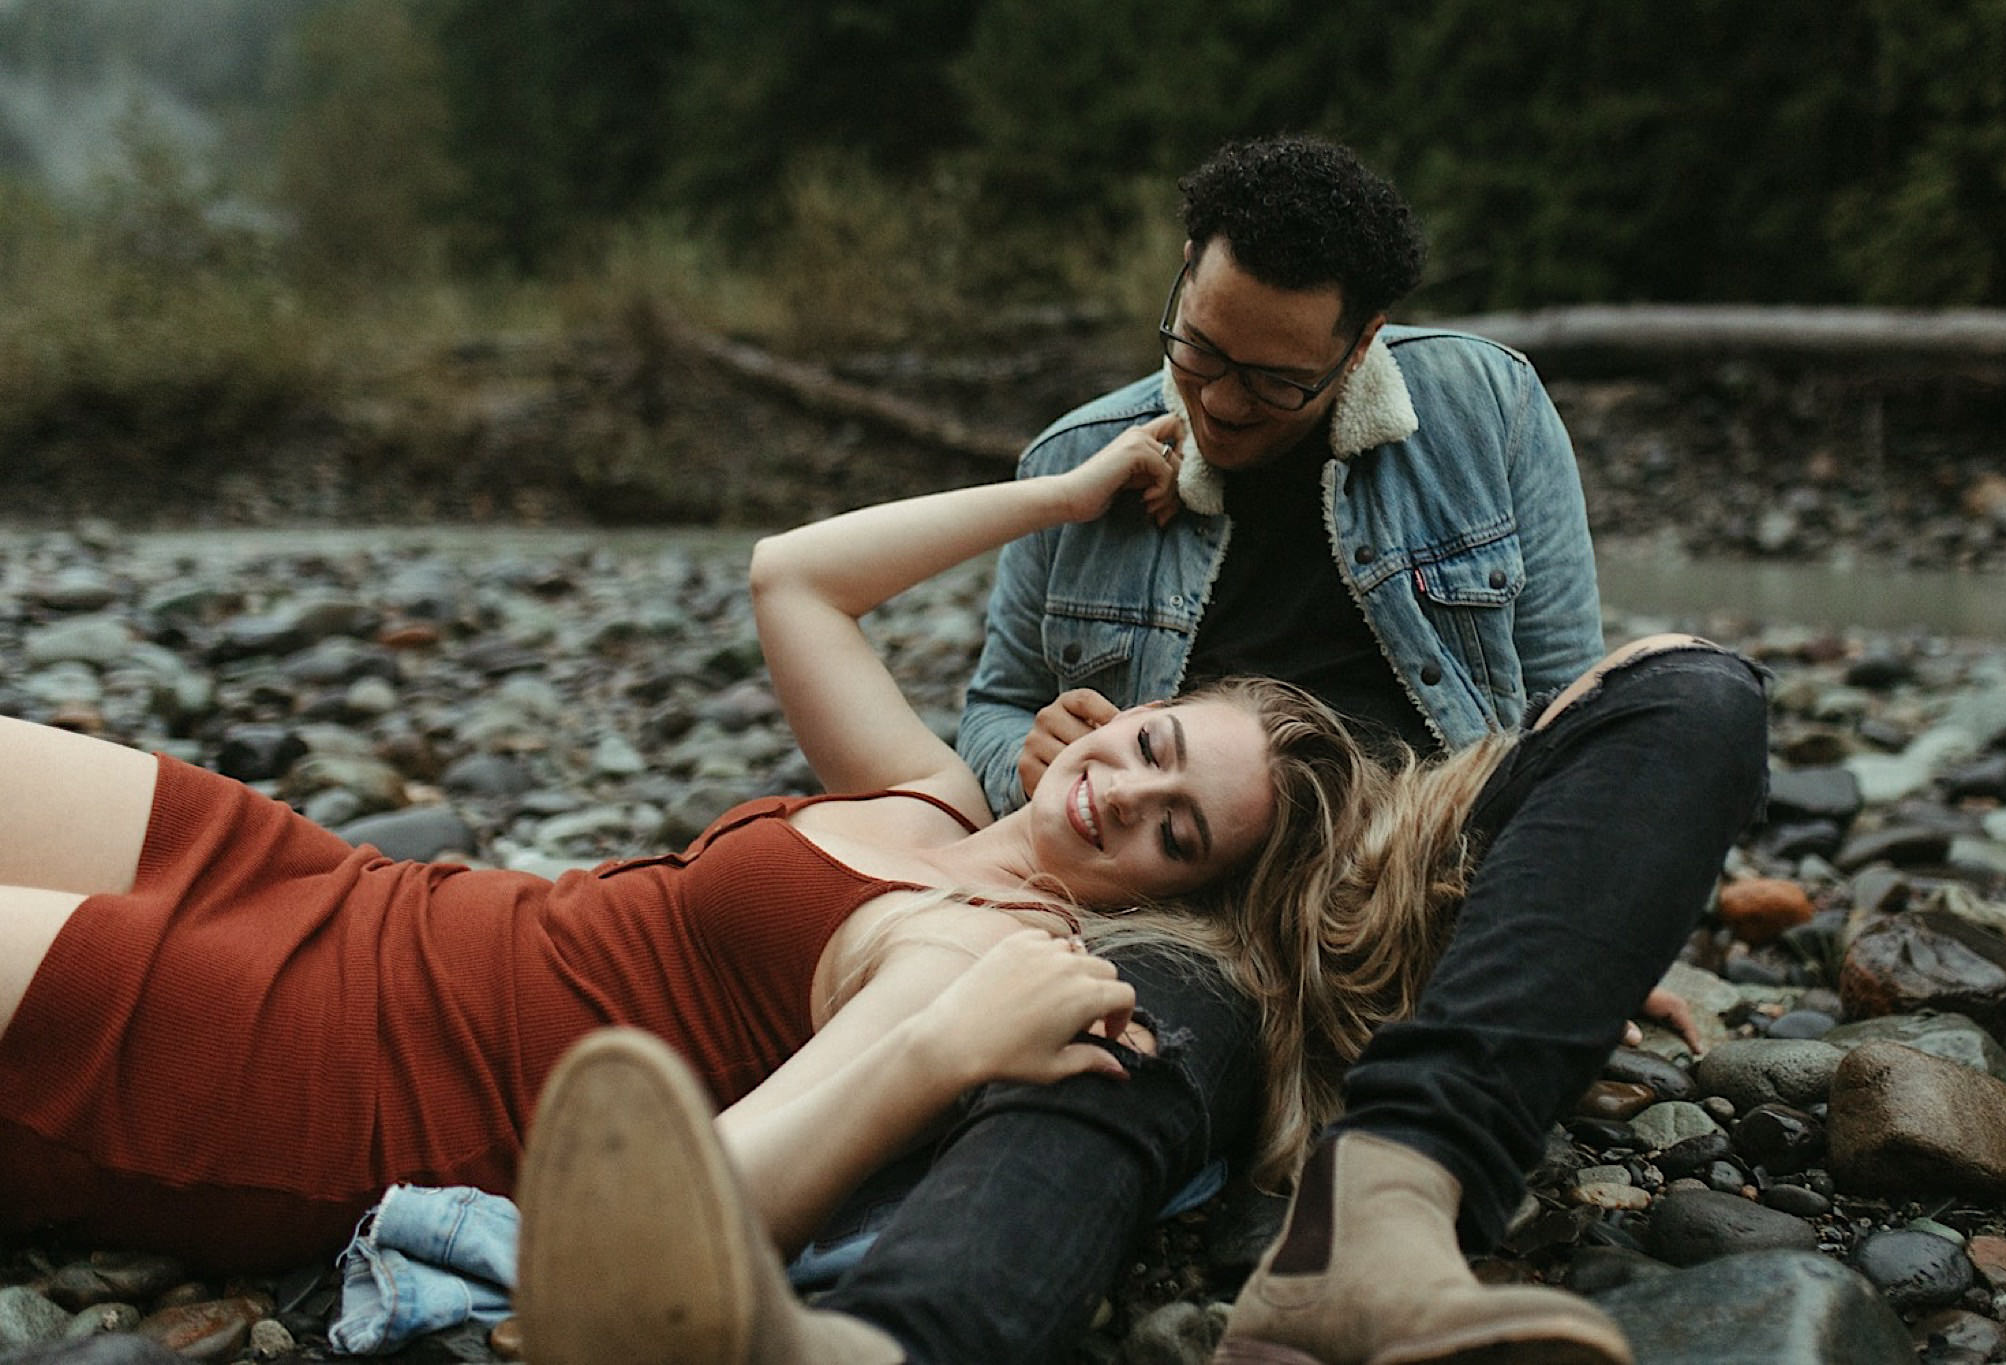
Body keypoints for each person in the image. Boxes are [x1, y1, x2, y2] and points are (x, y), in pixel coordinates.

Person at [510, 136, 1769, 1365]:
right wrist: (1032, 752)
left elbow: (1560, 699)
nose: (1220, 402)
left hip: (1410, 875)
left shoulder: (1482, 407)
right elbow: (995, 705)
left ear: (1360, 345)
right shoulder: (1083, 457)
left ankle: (1385, 1209)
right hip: (1181, 908)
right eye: (1199, 350)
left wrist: (1572, 904)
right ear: (1181, 273)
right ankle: (885, 1340)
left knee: (1695, 690)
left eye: (1274, 382)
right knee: (1111, 1048)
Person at [0, 426, 1375, 1285]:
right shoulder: (933, 793)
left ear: (1176, 893)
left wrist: (945, 1052)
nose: (1122, 797)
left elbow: (688, 1197)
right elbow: (793, 574)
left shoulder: (979, 953)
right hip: (334, 891)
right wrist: (1060, 495)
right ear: (1124, 712)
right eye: (1150, 748)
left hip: (337, 1068)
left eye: (1176, 831)